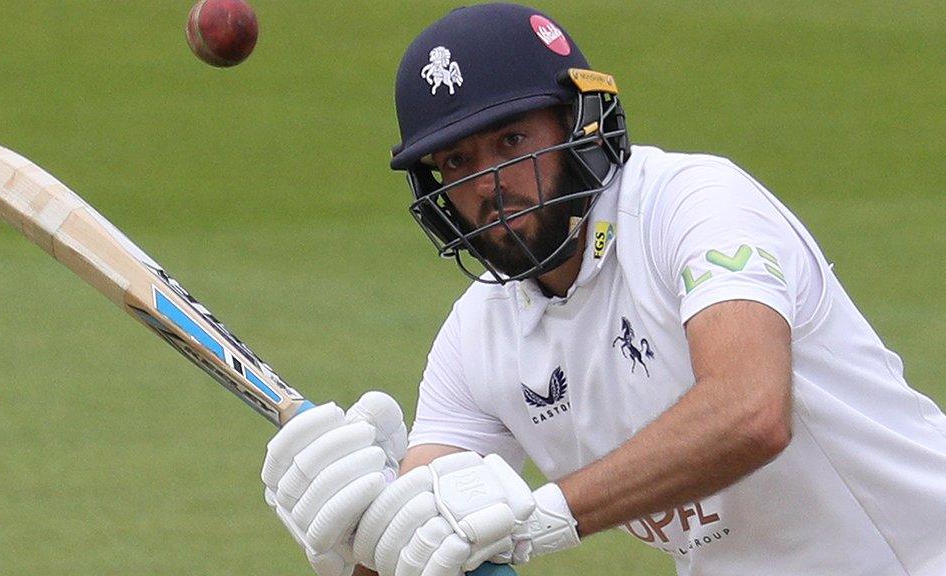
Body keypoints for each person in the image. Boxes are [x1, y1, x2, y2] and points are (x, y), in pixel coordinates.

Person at [261, 4, 946, 576]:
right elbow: (423, 545)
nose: (488, 183)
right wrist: (361, 529)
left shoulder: (692, 204)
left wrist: (542, 515)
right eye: (457, 161)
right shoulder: (478, 337)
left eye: (511, 140)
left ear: (579, 124)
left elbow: (751, 412)